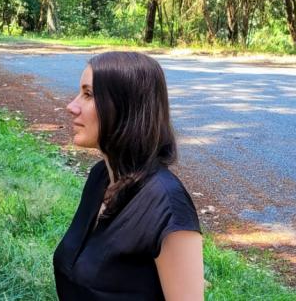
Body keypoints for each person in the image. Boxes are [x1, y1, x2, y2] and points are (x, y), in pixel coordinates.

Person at [53, 51, 204, 300]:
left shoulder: (167, 206)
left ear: (125, 108)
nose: (72, 106)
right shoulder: (100, 177)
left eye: (88, 94)